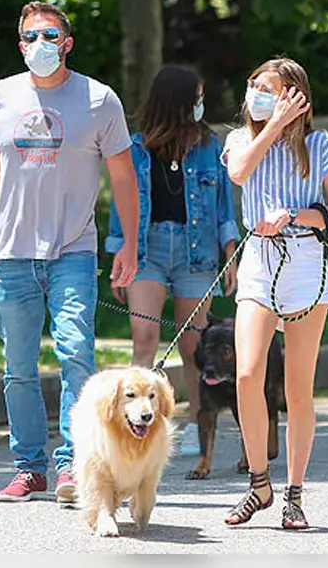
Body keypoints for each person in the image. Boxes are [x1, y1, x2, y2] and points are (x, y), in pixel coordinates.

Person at [0, 0, 139, 505]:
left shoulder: (99, 99)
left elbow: (123, 175)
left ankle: (72, 465)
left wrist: (130, 241)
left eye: (50, 35)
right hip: (12, 252)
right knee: (17, 366)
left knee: (76, 356)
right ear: (21, 46)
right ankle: (28, 468)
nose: (40, 44)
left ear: (67, 43)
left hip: (73, 250)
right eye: (31, 37)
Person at [220, 57, 328, 528]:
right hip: (258, 259)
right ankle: (259, 484)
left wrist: (299, 214)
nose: (255, 94)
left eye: (268, 89)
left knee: (297, 387)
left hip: (304, 264)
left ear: (294, 96)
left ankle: (295, 493)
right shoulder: (241, 139)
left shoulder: (319, 145)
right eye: (253, 86)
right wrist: (272, 124)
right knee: (247, 374)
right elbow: (239, 173)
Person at [106, 64, 239, 456]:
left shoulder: (210, 147)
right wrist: (120, 253)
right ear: (177, 102)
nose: (202, 104)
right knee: (144, 338)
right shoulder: (134, 148)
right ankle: (138, 429)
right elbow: (121, 203)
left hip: (196, 252)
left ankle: (200, 431)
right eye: (196, 98)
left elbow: (223, 206)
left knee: (194, 346)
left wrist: (230, 255)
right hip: (147, 250)